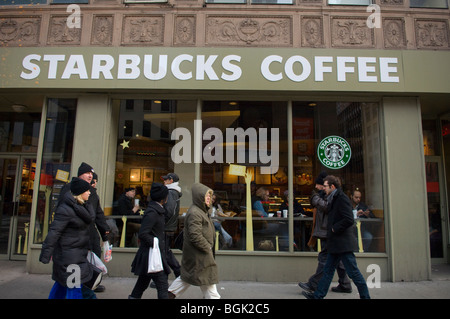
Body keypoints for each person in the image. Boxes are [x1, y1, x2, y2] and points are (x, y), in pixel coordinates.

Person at [302, 175, 370, 299]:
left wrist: (334, 228)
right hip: (335, 242)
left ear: (332, 186)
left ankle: (365, 297)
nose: (324, 188)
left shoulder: (341, 198)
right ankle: (317, 296)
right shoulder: (332, 197)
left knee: (353, 272)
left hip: (342, 244)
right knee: (328, 271)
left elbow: (349, 219)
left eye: (326, 186)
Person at [39, 177, 96, 299]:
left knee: (61, 286)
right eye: (87, 190)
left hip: (76, 255)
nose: (90, 192)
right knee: (74, 290)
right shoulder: (66, 210)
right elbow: (54, 232)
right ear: (80, 193)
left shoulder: (83, 207)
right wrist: (46, 254)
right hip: (70, 259)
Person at [57, 162, 110, 293]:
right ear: (80, 174)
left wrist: (105, 233)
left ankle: (89, 285)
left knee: (93, 258)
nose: (90, 175)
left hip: (90, 234)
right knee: (73, 273)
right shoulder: (68, 189)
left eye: (92, 174)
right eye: (88, 173)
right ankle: (84, 289)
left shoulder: (92, 192)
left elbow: (98, 213)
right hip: (73, 236)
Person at [299, 172, 352, 294]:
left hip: (328, 231)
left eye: (320, 184)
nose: (317, 187)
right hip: (328, 231)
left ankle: (314, 284)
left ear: (328, 186)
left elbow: (328, 207)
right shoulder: (328, 194)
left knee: (325, 258)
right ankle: (345, 284)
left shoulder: (333, 196)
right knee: (338, 259)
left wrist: (315, 199)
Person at [168, 183, 220, 299]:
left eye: (210, 196)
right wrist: (207, 247)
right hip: (200, 256)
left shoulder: (202, 211)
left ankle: (168, 295)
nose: (209, 199)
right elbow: (195, 235)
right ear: (199, 197)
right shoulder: (195, 213)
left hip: (199, 256)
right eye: (206, 196)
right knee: (209, 286)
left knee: (187, 278)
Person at [129, 183, 171, 299]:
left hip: (151, 255)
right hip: (152, 256)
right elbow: (143, 233)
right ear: (163, 198)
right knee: (162, 286)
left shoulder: (157, 210)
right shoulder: (153, 212)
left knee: (141, 284)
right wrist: (155, 242)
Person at [161, 173, 182, 277]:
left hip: (166, 227)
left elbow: (169, 210)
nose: (164, 181)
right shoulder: (173, 192)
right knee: (165, 251)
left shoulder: (171, 192)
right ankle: (177, 272)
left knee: (164, 252)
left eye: (166, 179)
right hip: (169, 227)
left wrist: (162, 221)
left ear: (171, 180)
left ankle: (177, 271)